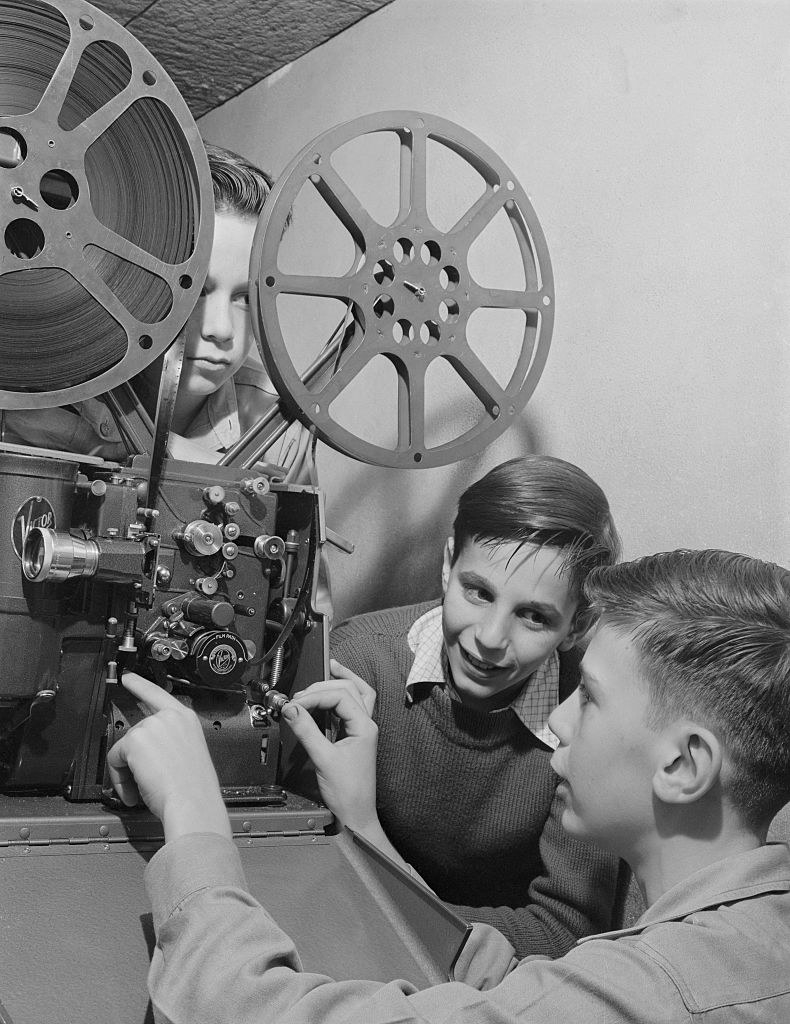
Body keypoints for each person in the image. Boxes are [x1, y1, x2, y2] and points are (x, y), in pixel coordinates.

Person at [110, 547, 790, 1022]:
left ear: (684, 766)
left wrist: (195, 818)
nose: (555, 718)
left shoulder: (658, 991)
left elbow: (232, 1012)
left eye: (588, 697)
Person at [310, 454, 625, 957]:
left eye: (534, 617)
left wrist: (364, 825)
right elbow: (303, 875)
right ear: (447, 564)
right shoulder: (359, 660)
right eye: (477, 592)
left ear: (578, 626)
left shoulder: (591, 719)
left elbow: (565, 930)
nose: (489, 639)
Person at [1, 143, 309, 482]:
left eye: (246, 298)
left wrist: (130, 446)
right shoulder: (31, 385)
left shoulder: (278, 425)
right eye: (193, 289)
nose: (221, 330)